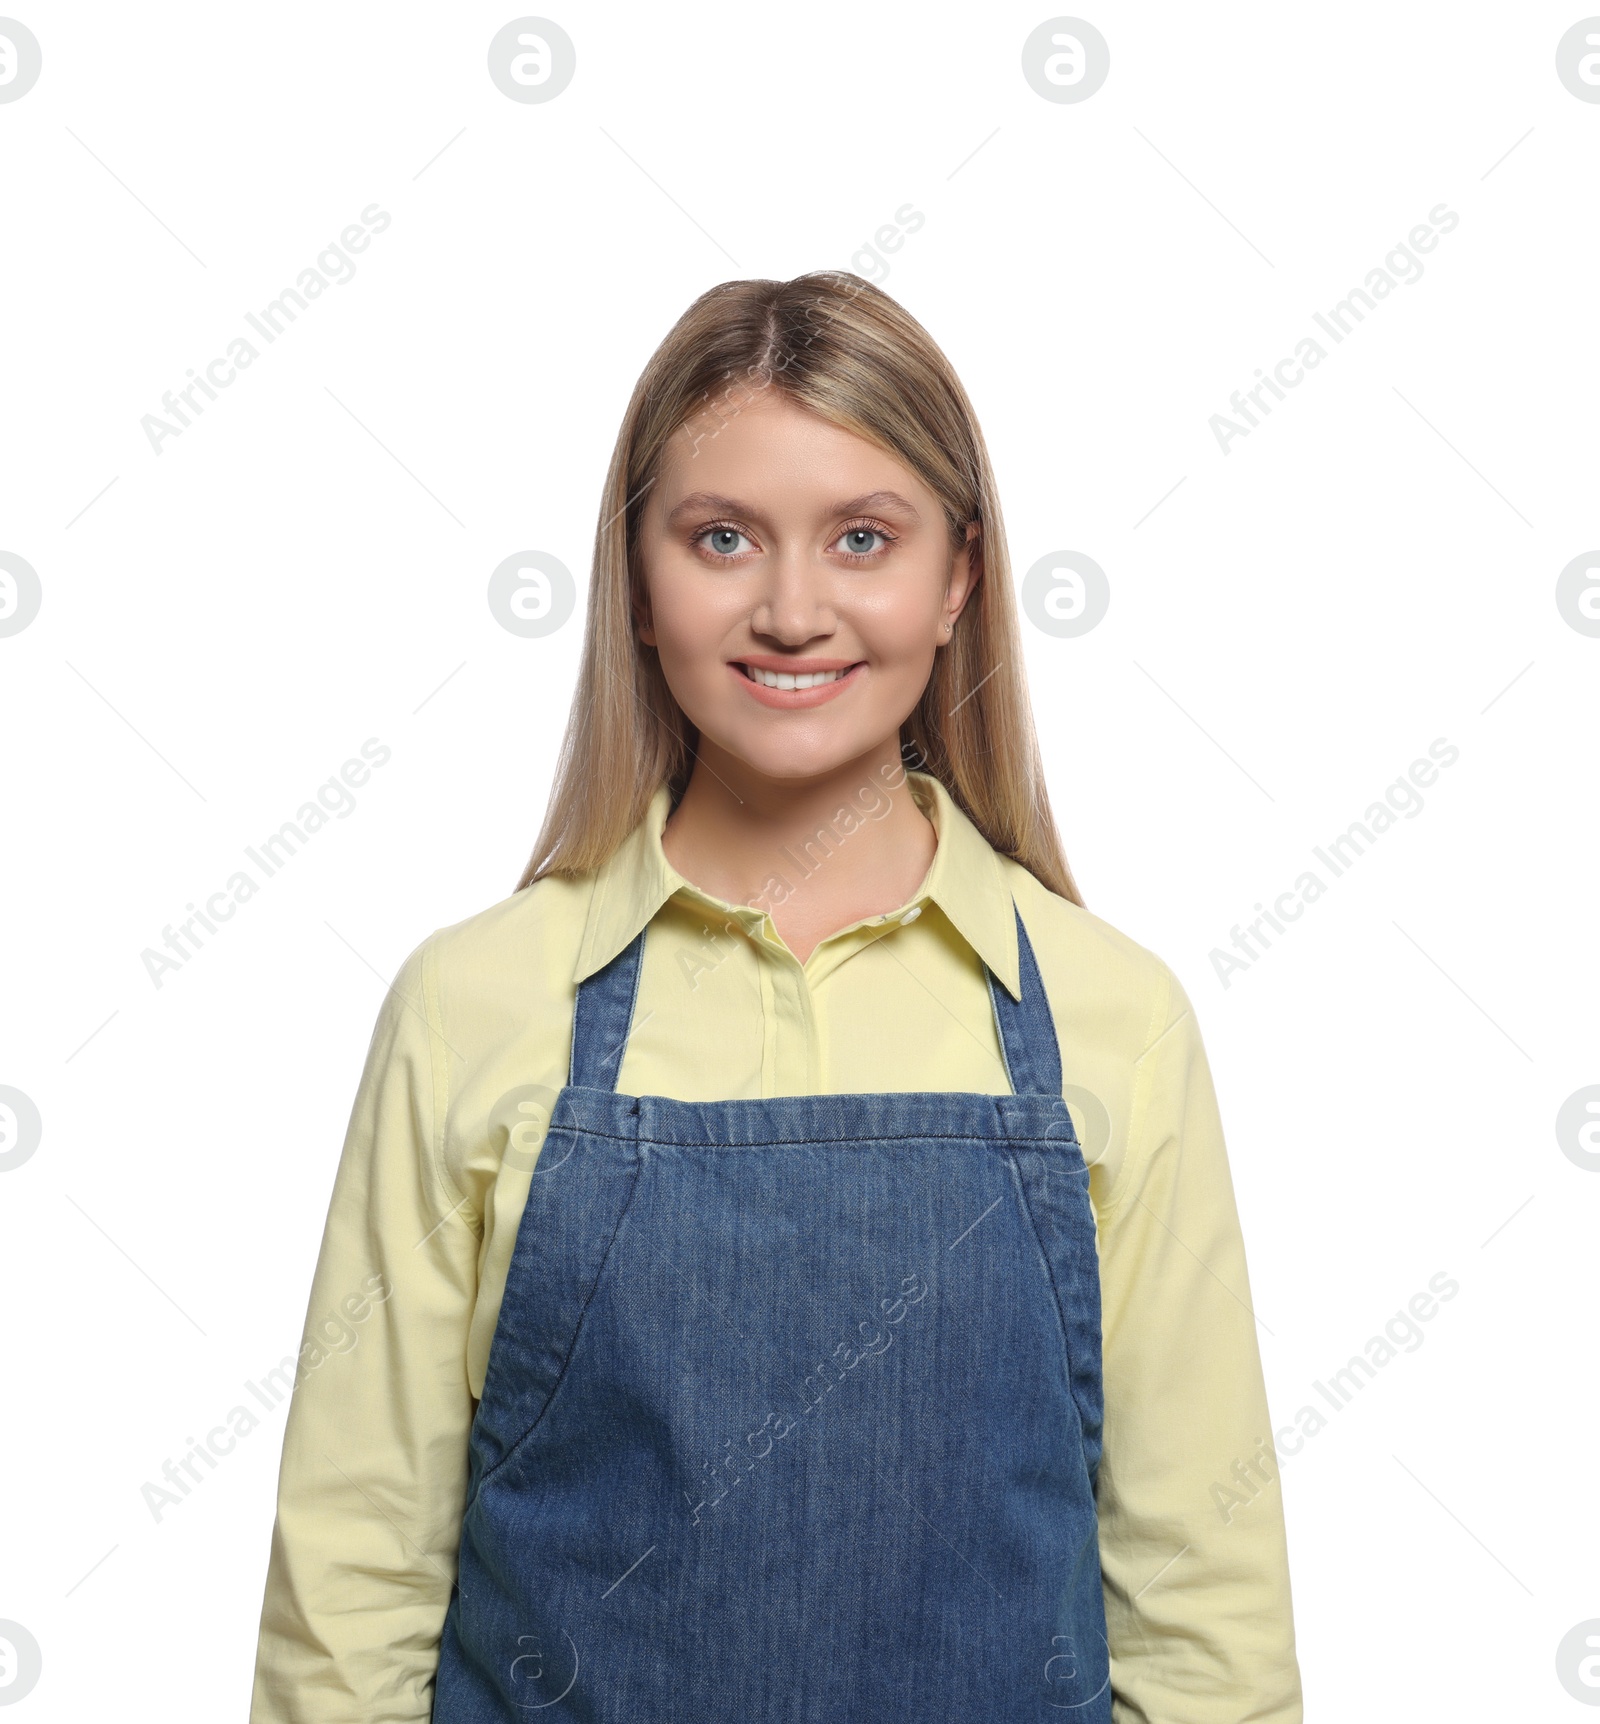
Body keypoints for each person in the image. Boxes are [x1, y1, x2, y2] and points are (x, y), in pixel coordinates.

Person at [249, 271, 1303, 1722]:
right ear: (635, 578)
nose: (792, 610)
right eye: (722, 538)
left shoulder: (1114, 1017)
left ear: (958, 581)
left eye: (862, 539)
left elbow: (1202, 1617)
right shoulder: (473, 1003)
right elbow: (353, 1586)